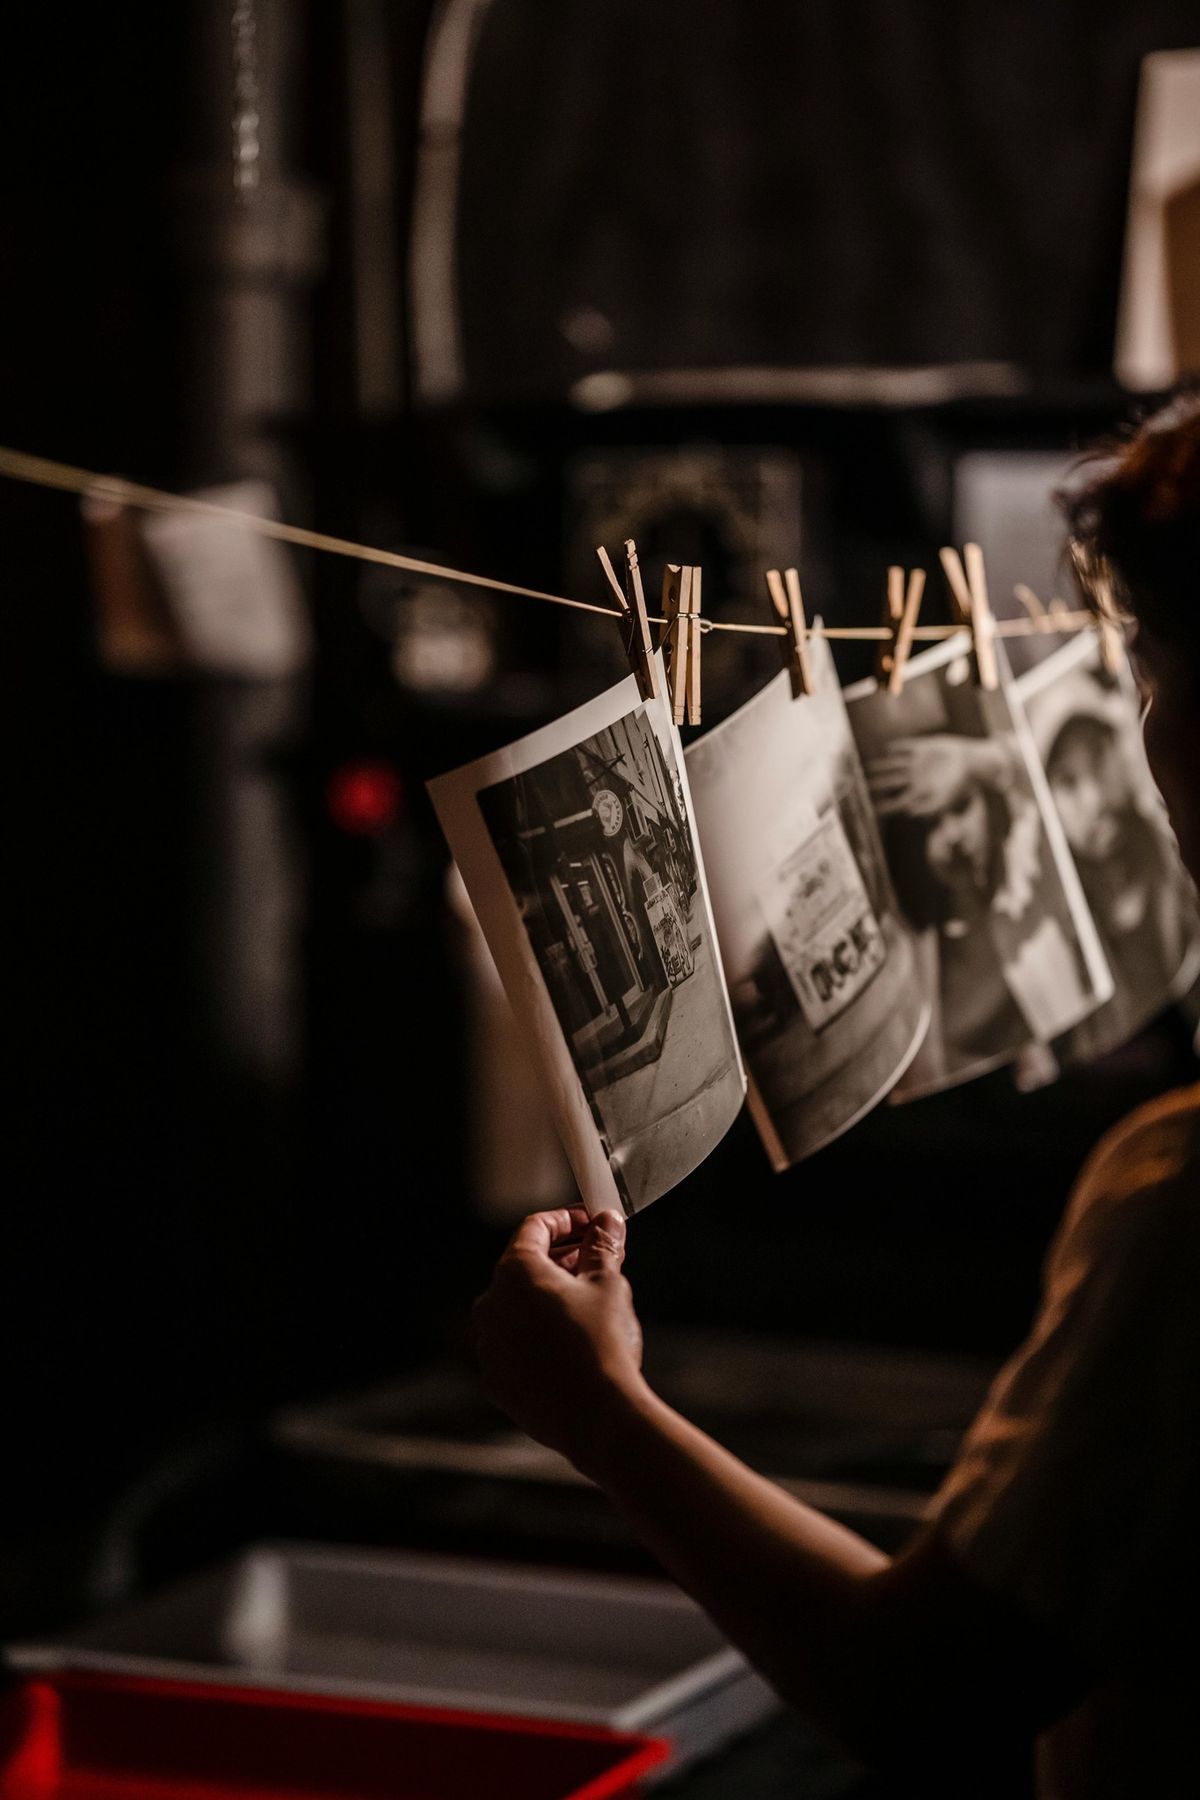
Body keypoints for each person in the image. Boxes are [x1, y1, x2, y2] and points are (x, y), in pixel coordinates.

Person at [471, 392, 1200, 1799]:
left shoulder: (1181, 1199)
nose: (1149, 729)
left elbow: (923, 1688)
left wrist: (598, 1410)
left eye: (1158, 671)